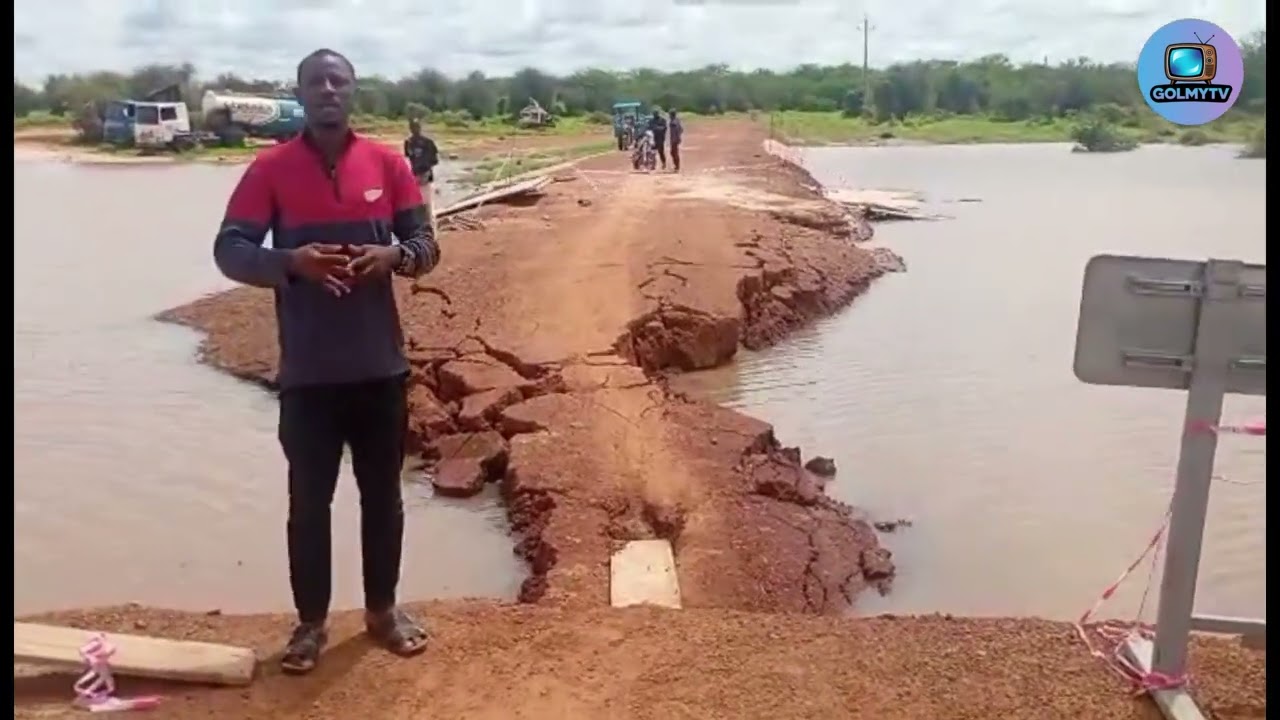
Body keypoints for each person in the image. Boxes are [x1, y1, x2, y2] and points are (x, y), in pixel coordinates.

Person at [212, 48, 440, 676]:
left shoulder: (389, 164)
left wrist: (391, 258)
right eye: (317, 82)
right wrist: (291, 263)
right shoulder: (271, 169)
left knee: (382, 499)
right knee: (307, 505)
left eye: (339, 81)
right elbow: (229, 249)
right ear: (301, 93)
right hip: (308, 374)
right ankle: (310, 625)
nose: (329, 90)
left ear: (354, 92)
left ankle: (382, 612)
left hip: (379, 367)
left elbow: (426, 245)